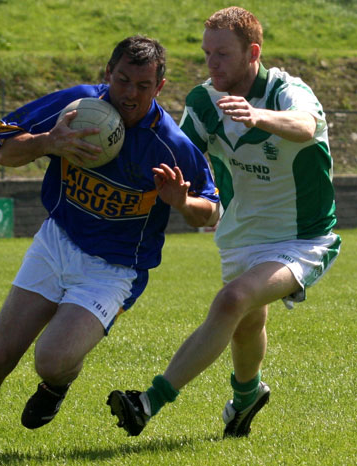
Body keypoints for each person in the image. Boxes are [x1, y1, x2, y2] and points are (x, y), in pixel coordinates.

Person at [0, 35, 219, 459]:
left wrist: (183, 201)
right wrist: (47, 143)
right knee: (0, 353)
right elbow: (5, 149)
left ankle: (57, 383)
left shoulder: (170, 143)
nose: (130, 93)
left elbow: (213, 211)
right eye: (122, 79)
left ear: (160, 88)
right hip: (57, 241)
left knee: (52, 359)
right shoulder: (77, 108)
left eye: (143, 85)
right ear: (106, 73)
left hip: (113, 269)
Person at [107, 7, 341, 439]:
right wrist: (180, 196)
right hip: (240, 237)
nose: (211, 64)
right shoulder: (203, 102)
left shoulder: (288, 92)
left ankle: (148, 402)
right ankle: (248, 395)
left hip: (303, 237)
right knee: (249, 322)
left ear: (253, 52)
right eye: (207, 53)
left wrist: (259, 117)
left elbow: (306, 126)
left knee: (233, 300)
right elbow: (180, 163)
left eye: (222, 55)